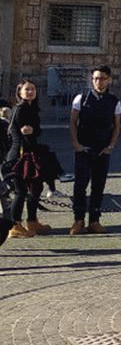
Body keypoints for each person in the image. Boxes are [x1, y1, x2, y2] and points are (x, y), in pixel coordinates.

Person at [69, 66, 121, 236]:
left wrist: (111, 146)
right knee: (80, 185)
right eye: (96, 78)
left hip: (102, 150)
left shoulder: (114, 101)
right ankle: (78, 220)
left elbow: (116, 126)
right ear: (92, 80)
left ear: (109, 80)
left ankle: (94, 220)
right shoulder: (81, 98)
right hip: (84, 149)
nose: (99, 82)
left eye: (102, 78)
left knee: (98, 186)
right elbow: (73, 122)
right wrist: (76, 144)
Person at [4, 79, 53, 238]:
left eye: (32, 89)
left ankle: (32, 221)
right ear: (20, 93)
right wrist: (27, 132)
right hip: (19, 156)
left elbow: (36, 131)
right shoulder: (20, 109)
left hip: (31, 154)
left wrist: (33, 130)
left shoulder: (32, 109)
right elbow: (17, 132)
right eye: (27, 89)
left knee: (35, 188)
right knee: (21, 191)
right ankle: (15, 225)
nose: (30, 92)